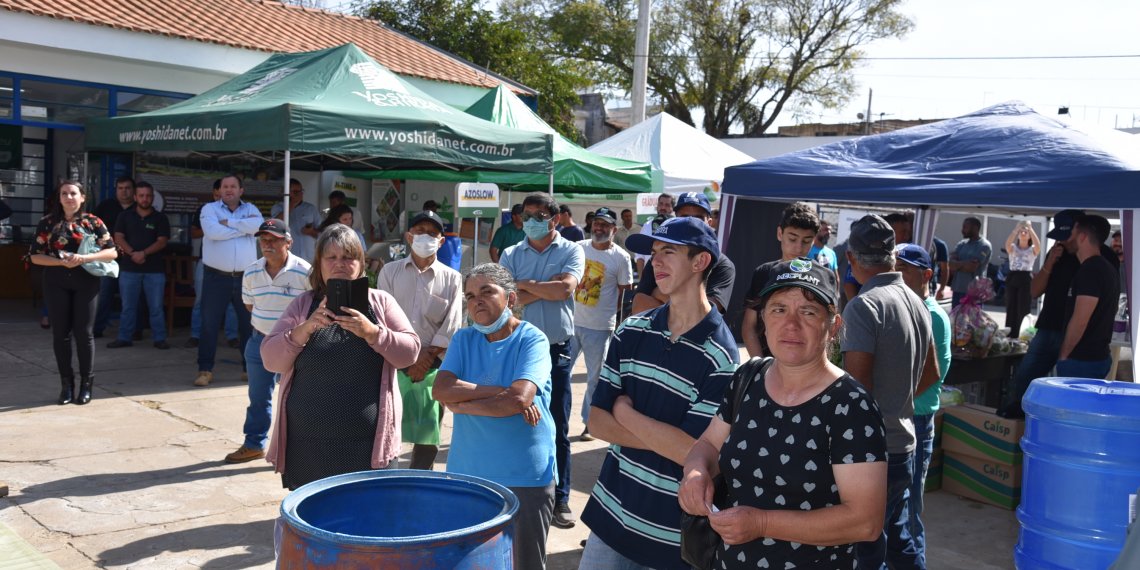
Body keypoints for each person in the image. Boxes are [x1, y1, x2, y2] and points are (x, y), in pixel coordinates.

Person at [679, 258, 887, 570]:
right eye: (778, 309)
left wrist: (761, 523)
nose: (791, 324)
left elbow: (865, 522)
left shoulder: (850, 406)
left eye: (808, 311)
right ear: (762, 319)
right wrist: (695, 473)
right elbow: (709, 445)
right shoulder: (748, 377)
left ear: (834, 325)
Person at [578, 216, 740, 569]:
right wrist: (668, 439)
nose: (656, 262)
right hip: (610, 518)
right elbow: (597, 422)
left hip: (670, 538)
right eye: (654, 253)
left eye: (669, 251)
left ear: (701, 262)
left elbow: (694, 453)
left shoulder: (722, 355)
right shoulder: (631, 331)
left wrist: (625, 414)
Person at [261, 224, 420, 489]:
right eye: (331, 258)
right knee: (312, 519)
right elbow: (270, 359)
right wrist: (305, 329)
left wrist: (373, 333)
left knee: (367, 519)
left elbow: (409, 353)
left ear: (361, 263)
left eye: (348, 257)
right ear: (319, 264)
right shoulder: (303, 305)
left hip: (367, 446)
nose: (340, 264)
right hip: (308, 446)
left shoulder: (380, 303)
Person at [432, 263, 556, 569]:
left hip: (525, 477)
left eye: (487, 292)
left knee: (523, 563)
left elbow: (518, 398)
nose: (477, 301)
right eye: (471, 295)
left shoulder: (532, 339)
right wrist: (501, 391)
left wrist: (464, 404)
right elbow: (441, 389)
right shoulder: (464, 339)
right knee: (471, 561)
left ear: (511, 299)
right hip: (469, 475)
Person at [841, 214, 939, 570]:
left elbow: (855, 392)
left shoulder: (864, 307)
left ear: (851, 260)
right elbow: (932, 373)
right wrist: (898, 401)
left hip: (872, 452)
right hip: (903, 443)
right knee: (897, 539)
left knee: (866, 547)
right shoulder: (915, 301)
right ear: (893, 258)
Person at [499, 192, 585, 529]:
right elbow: (505, 300)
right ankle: (514, 493)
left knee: (557, 426)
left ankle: (560, 498)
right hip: (515, 350)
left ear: (555, 217)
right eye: (527, 214)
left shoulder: (571, 250)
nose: (532, 220)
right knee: (516, 420)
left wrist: (523, 288)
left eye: (539, 214)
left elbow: (565, 290)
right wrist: (541, 288)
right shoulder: (510, 252)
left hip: (556, 350)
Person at [998, 210, 1120, 418]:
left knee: (1072, 405)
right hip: (1050, 327)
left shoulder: (1099, 260)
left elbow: (1085, 314)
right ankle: (1018, 415)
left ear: (1079, 232)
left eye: (1067, 234)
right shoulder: (1058, 251)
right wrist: (1049, 263)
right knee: (1026, 376)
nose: (1063, 241)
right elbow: (1034, 291)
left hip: (1079, 340)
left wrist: (1064, 353)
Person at [376, 210, 463, 470]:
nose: (425, 237)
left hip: (433, 366)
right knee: (387, 425)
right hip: (392, 362)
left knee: (428, 434)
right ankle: (387, 478)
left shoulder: (452, 279)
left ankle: (419, 480)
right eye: (420, 231)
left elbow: (453, 322)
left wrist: (425, 358)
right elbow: (381, 317)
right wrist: (404, 359)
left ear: (441, 240)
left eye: (432, 233)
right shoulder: (389, 272)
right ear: (408, 236)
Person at [225, 219, 312, 464]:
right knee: (258, 397)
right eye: (264, 239)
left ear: (288, 242)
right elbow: (249, 304)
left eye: (274, 239)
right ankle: (254, 444)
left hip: (296, 345)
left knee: (297, 399)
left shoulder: (305, 271)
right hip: (259, 342)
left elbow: (312, 307)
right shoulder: (252, 271)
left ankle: (298, 449)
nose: (267, 244)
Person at [27, 180, 119, 405]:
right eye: (64, 194)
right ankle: (66, 385)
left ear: (82, 197)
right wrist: (60, 263)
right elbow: (35, 255)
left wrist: (84, 258)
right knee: (61, 334)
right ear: (59, 198)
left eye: (73, 193)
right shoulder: (48, 223)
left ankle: (86, 384)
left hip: (85, 280)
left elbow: (112, 252)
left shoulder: (93, 222)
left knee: (84, 333)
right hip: (56, 280)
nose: (69, 197)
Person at [895, 244, 952, 569]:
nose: (897, 277)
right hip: (901, 419)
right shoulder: (905, 307)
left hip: (914, 421)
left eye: (904, 270)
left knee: (910, 512)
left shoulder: (931, 315)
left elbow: (932, 375)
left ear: (926, 274)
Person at [569, 207, 633, 441]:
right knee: (560, 373)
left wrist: (613, 317)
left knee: (595, 378)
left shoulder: (621, 257)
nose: (599, 228)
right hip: (570, 323)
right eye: (597, 223)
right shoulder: (578, 248)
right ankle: (557, 418)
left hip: (600, 327)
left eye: (605, 225)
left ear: (614, 230)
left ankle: (589, 423)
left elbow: (625, 293)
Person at [194, 174, 262, 387]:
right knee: (209, 325)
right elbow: (212, 232)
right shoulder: (209, 209)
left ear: (241, 190)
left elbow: (259, 227)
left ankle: (248, 369)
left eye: (233, 186)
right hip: (216, 277)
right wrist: (242, 229)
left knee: (248, 325)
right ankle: (205, 370)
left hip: (245, 277)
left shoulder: (251, 208)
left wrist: (230, 223)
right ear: (219, 191)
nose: (229, 190)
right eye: (225, 187)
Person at [631, 191, 735, 314]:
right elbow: (639, 305)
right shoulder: (659, 259)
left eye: (698, 218)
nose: (690, 223)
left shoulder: (723, 265)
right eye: (684, 217)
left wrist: (659, 294)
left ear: (709, 222)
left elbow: (703, 315)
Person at [742, 202, 820, 357]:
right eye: (792, 238)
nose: (798, 248)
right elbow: (749, 326)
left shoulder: (821, 277)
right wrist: (759, 365)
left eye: (806, 241)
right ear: (780, 233)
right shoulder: (764, 273)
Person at [108, 181, 171, 350]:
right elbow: (118, 237)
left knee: (156, 307)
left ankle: (159, 338)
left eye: (148, 195)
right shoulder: (125, 216)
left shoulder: (160, 218)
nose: (145, 199)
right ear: (135, 197)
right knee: (128, 306)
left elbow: (162, 241)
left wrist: (143, 254)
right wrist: (133, 253)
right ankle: (124, 337)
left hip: (154, 270)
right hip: (129, 269)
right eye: (141, 195)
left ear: (152, 197)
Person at [1057, 215, 1119, 379]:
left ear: (1083, 237)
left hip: (1082, 360)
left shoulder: (1091, 270)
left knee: (1070, 404)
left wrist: (1064, 354)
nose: (1067, 239)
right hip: (1095, 357)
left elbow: (1080, 320)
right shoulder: (1104, 268)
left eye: (1073, 234)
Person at [187, 180, 239, 349]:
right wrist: (212, 226)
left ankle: (232, 336)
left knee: (232, 302)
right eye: (217, 195)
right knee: (201, 300)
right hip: (207, 262)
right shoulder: (205, 211)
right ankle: (196, 335)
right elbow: (194, 233)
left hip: (232, 262)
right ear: (214, 194)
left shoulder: (240, 211)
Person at [92, 176, 135, 338]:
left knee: (130, 299)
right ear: (116, 190)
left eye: (128, 188)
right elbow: (92, 226)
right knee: (104, 295)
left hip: (131, 260)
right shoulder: (106, 205)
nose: (124, 191)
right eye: (120, 188)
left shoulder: (139, 208)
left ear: (133, 190)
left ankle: (132, 330)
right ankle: (97, 328)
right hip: (108, 259)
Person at [1004, 221, 1041, 338]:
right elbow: (1008, 243)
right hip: (1013, 276)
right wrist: (1017, 229)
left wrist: (1030, 229)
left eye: (1026, 232)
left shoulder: (1032, 249)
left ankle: (1022, 335)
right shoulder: (1013, 248)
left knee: (1023, 308)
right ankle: (1010, 333)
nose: (1023, 233)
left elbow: (1038, 245)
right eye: (1022, 232)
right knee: (1011, 306)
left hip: (1025, 278)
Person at [270, 178, 320, 263]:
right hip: (288, 259)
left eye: (301, 191)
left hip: (310, 258)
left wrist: (311, 232)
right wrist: (292, 204)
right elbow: (275, 225)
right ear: (286, 193)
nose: (300, 194)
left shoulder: (310, 208)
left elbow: (322, 232)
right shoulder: (278, 207)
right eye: (296, 192)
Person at [948, 217, 992, 307]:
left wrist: (958, 264)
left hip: (973, 293)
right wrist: (964, 264)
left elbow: (971, 267)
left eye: (965, 227)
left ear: (975, 228)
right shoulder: (962, 244)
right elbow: (950, 265)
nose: (962, 230)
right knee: (955, 320)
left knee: (970, 320)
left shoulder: (984, 245)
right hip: (957, 289)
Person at [634, 193, 675, 276]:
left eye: (667, 205)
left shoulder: (677, 226)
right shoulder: (647, 225)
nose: (663, 207)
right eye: (661, 204)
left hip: (671, 277)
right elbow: (639, 255)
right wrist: (642, 279)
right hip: (649, 277)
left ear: (672, 208)